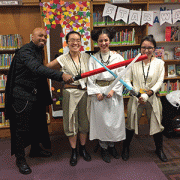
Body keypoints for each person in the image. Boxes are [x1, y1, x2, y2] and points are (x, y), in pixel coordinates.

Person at [5, 27, 74, 175]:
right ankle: (20, 159)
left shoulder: (38, 50)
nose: (43, 38)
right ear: (32, 36)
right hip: (21, 96)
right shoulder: (25, 52)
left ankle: (35, 150)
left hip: (34, 95)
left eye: (45, 37)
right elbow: (37, 68)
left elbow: (40, 69)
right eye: (40, 36)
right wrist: (61, 76)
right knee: (21, 130)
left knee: (37, 124)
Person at [46, 31, 91, 166]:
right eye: (72, 40)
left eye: (78, 40)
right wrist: (61, 76)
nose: (75, 43)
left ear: (81, 42)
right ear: (67, 42)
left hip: (84, 93)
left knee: (84, 121)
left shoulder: (87, 57)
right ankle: (73, 151)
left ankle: (82, 148)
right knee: (71, 121)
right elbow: (46, 69)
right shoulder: (62, 58)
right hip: (70, 92)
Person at [122, 34, 167, 162]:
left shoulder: (159, 63)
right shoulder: (134, 62)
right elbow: (126, 79)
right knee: (130, 123)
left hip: (152, 97)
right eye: (143, 47)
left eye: (149, 47)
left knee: (157, 123)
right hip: (136, 97)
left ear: (154, 48)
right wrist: (135, 92)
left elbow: (160, 81)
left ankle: (159, 149)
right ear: (139, 48)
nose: (146, 50)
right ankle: (126, 148)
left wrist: (149, 93)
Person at [87, 28, 126, 163]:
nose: (103, 43)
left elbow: (122, 75)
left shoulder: (117, 57)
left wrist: (113, 90)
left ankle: (112, 146)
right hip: (98, 94)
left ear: (110, 41)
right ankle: (103, 147)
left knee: (114, 122)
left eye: (106, 40)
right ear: (96, 42)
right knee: (102, 123)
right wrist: (97, 92)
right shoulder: (93, 58)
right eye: (100, 41)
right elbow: (90, 78)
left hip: (113, 93)